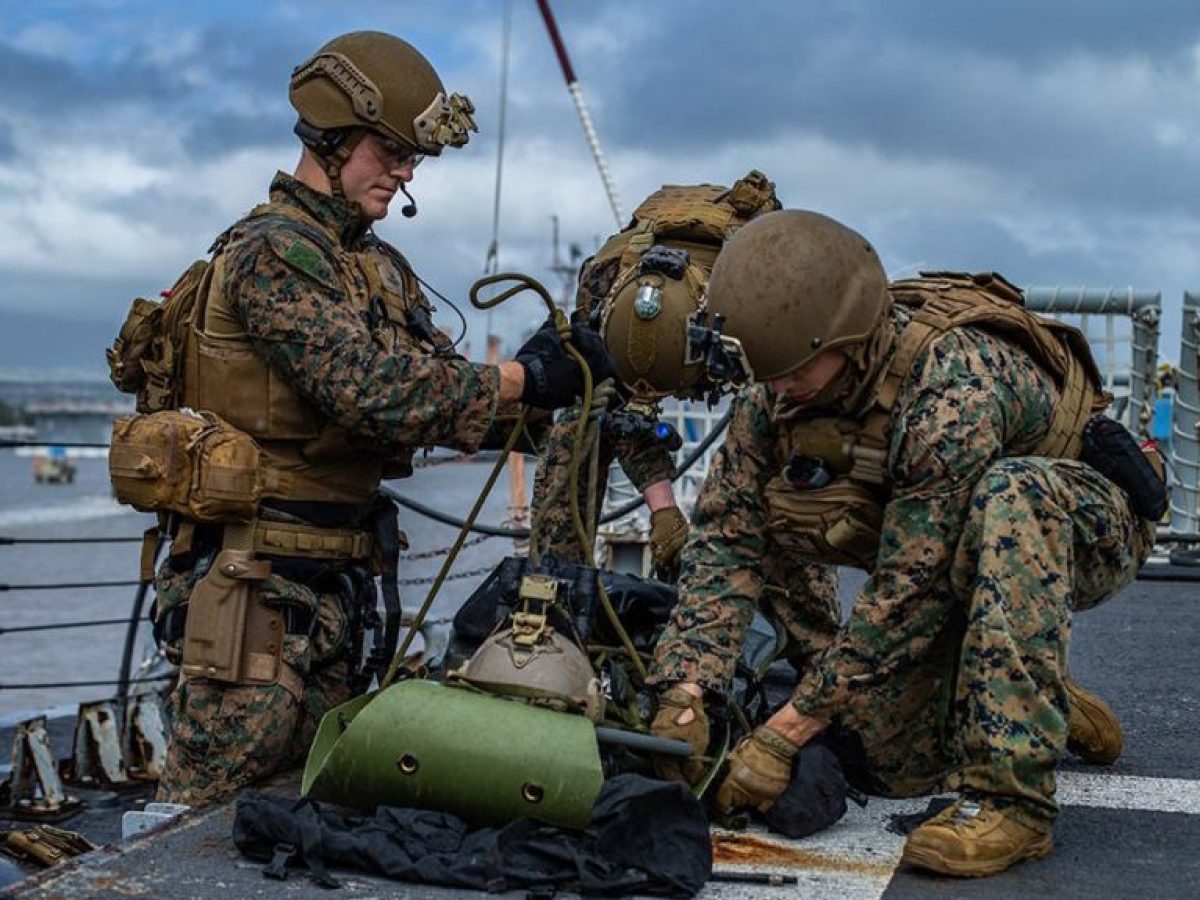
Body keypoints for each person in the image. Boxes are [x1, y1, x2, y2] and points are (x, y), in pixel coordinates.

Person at [109, 31, 612, 807]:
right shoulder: (272, 254)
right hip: (253, 593)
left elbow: (442, 394)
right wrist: (520, 376)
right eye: (391, 150)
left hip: (336, 591)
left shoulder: (375, 267)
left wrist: (571, 388)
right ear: (334, 136)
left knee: (310, 811)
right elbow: (373, 388)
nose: (407, 171)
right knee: (201, 823)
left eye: (413, 156)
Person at [648, 210, 1162, 876]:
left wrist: (787, 731)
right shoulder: (776, 396)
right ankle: (1033, 691)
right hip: (954, 553)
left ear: (847, 334)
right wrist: (688, 691)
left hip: (1083, 527)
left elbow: (909, 594)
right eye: (766, 375)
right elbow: (725, 539)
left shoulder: (951, 388)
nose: (778, 389)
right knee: (896, 769)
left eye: (793, 369)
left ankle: (1015, 804)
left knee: (1013, 494)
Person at [529, 172, 785, 579]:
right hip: (619, 333)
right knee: (575, 438)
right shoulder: (604, 290)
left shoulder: (762, 306)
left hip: (767, 352)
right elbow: (620, 412)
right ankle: (555, 594)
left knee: (785, 486)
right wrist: (664, 509)